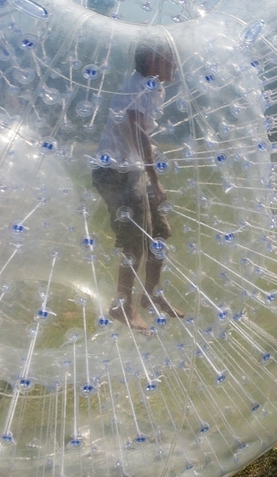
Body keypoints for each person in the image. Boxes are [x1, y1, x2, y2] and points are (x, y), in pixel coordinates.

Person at [94, 42, 184, 331]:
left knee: (158, 232)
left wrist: (148, 176)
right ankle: (123, 306)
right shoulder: (139, 87)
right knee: (135, 240)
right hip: (116, 171)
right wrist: (154, 178)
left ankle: (151, 295)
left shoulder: (155, 87)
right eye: (171, 59)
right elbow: (137, 133)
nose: (177, 64)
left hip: (133, 170)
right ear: (155, 61)